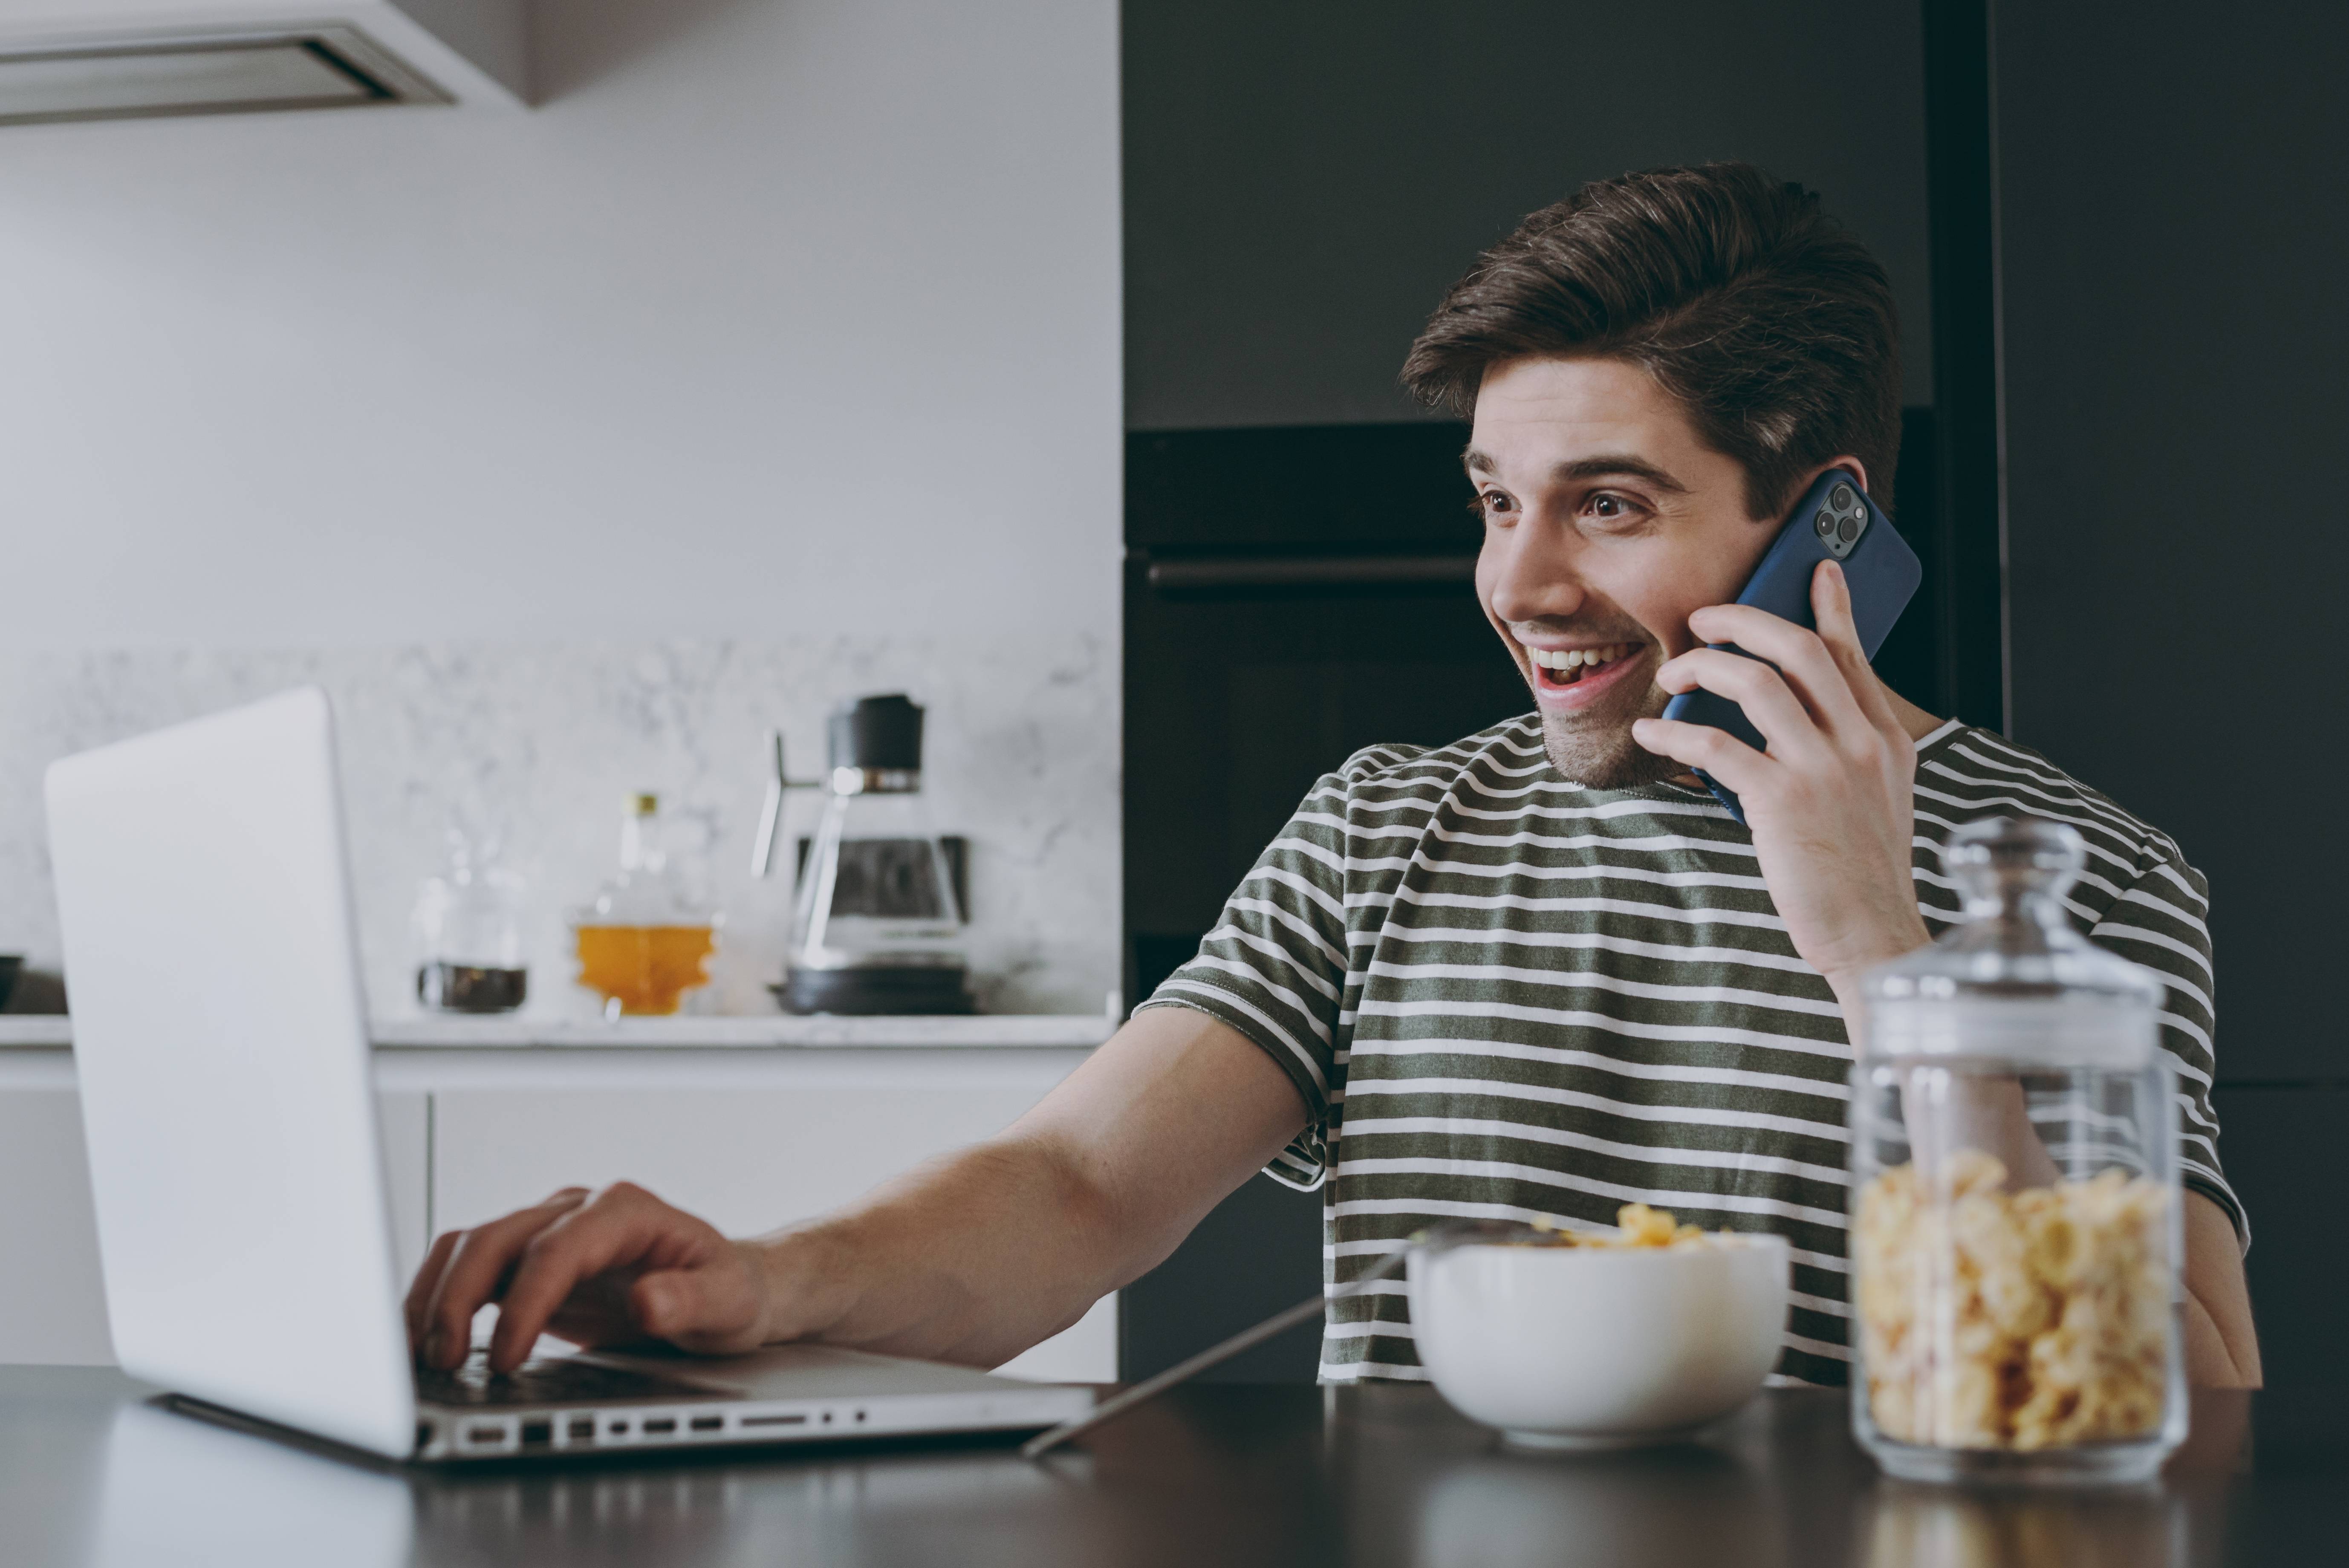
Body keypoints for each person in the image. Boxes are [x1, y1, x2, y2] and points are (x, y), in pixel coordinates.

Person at [407, 163, 2261, 1391]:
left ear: (1825, 521)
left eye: (1606, 505)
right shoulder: (1390, 823)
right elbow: (1071, 1187)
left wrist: (1879, 949)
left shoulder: (2077, 874)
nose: (1518, 584)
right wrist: (763, 1277)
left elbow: (2187, 1395)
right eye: (1493, 501)